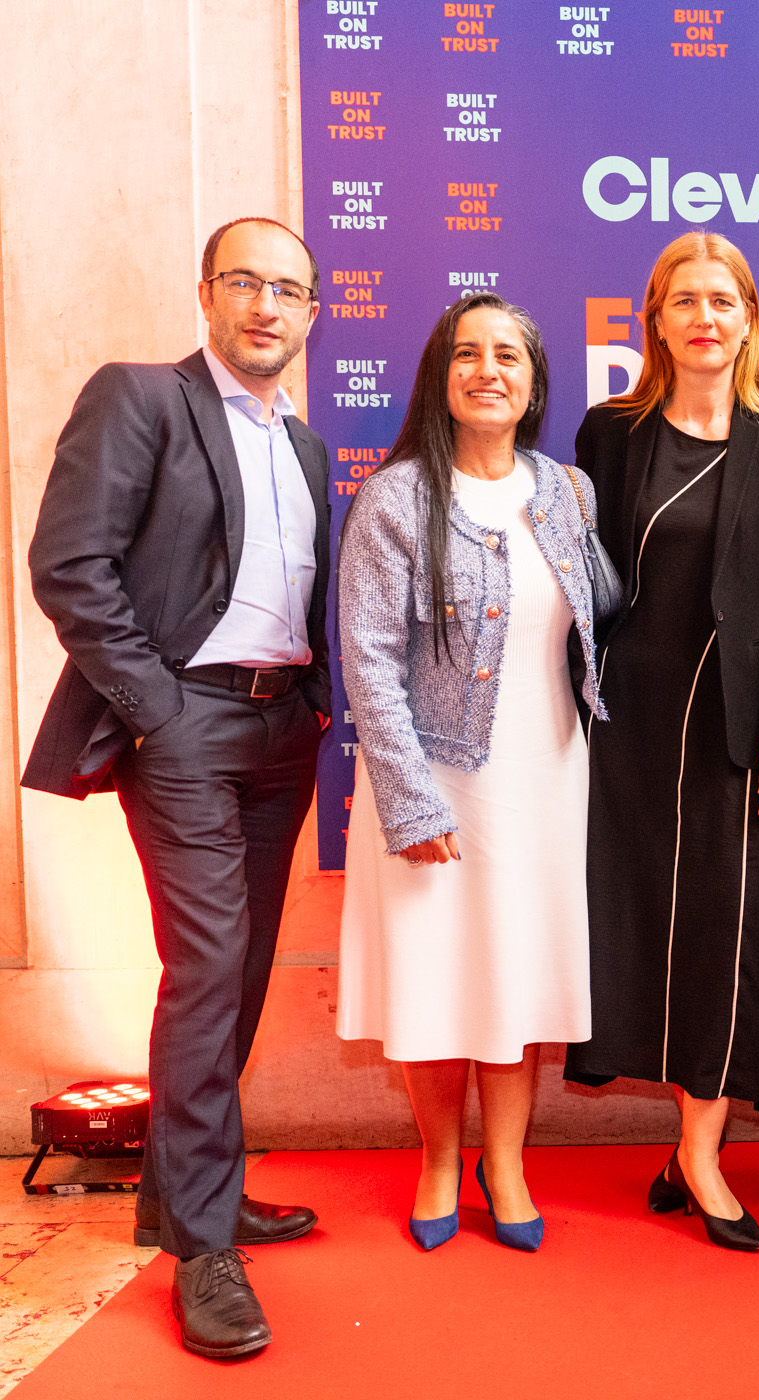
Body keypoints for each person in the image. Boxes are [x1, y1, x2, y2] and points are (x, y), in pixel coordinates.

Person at [24, 217, 330, 1358]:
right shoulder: (142, 397)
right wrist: (157, 708)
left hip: (281, 726)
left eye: (288, 290)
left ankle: (182, 1193)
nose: (266, 305)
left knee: (239, 971)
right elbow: (69, 564)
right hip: (186, 722)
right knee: (206, 968)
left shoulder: (304, 446)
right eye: (245, 281)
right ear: (207, 294)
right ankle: (203, 1250)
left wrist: (313, 703)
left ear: (312, 314)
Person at [562, 232, 759, 1253]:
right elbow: (578, 582)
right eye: (686, 300)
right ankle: (685, 1148)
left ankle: (701, 1151)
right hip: (625, 726)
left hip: (736, 728)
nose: (705, 316)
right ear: (658, 321)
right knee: (637, 924)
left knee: (727, 932)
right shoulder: (609, 433)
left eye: (723, 299)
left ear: (749, 318)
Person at [337, 293, 604, 1255]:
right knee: (437, 973)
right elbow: (368, 659)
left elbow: (596, 621)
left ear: (533, 382)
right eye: (467, 354)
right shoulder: (396, 497)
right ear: (440, 377)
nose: (488, 370)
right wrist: (409, 803)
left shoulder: (568, 490)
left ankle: (510, 1163)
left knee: (516, 971)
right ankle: (441, 1160)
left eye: (508, 356)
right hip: (435, 779)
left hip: (547, 775)